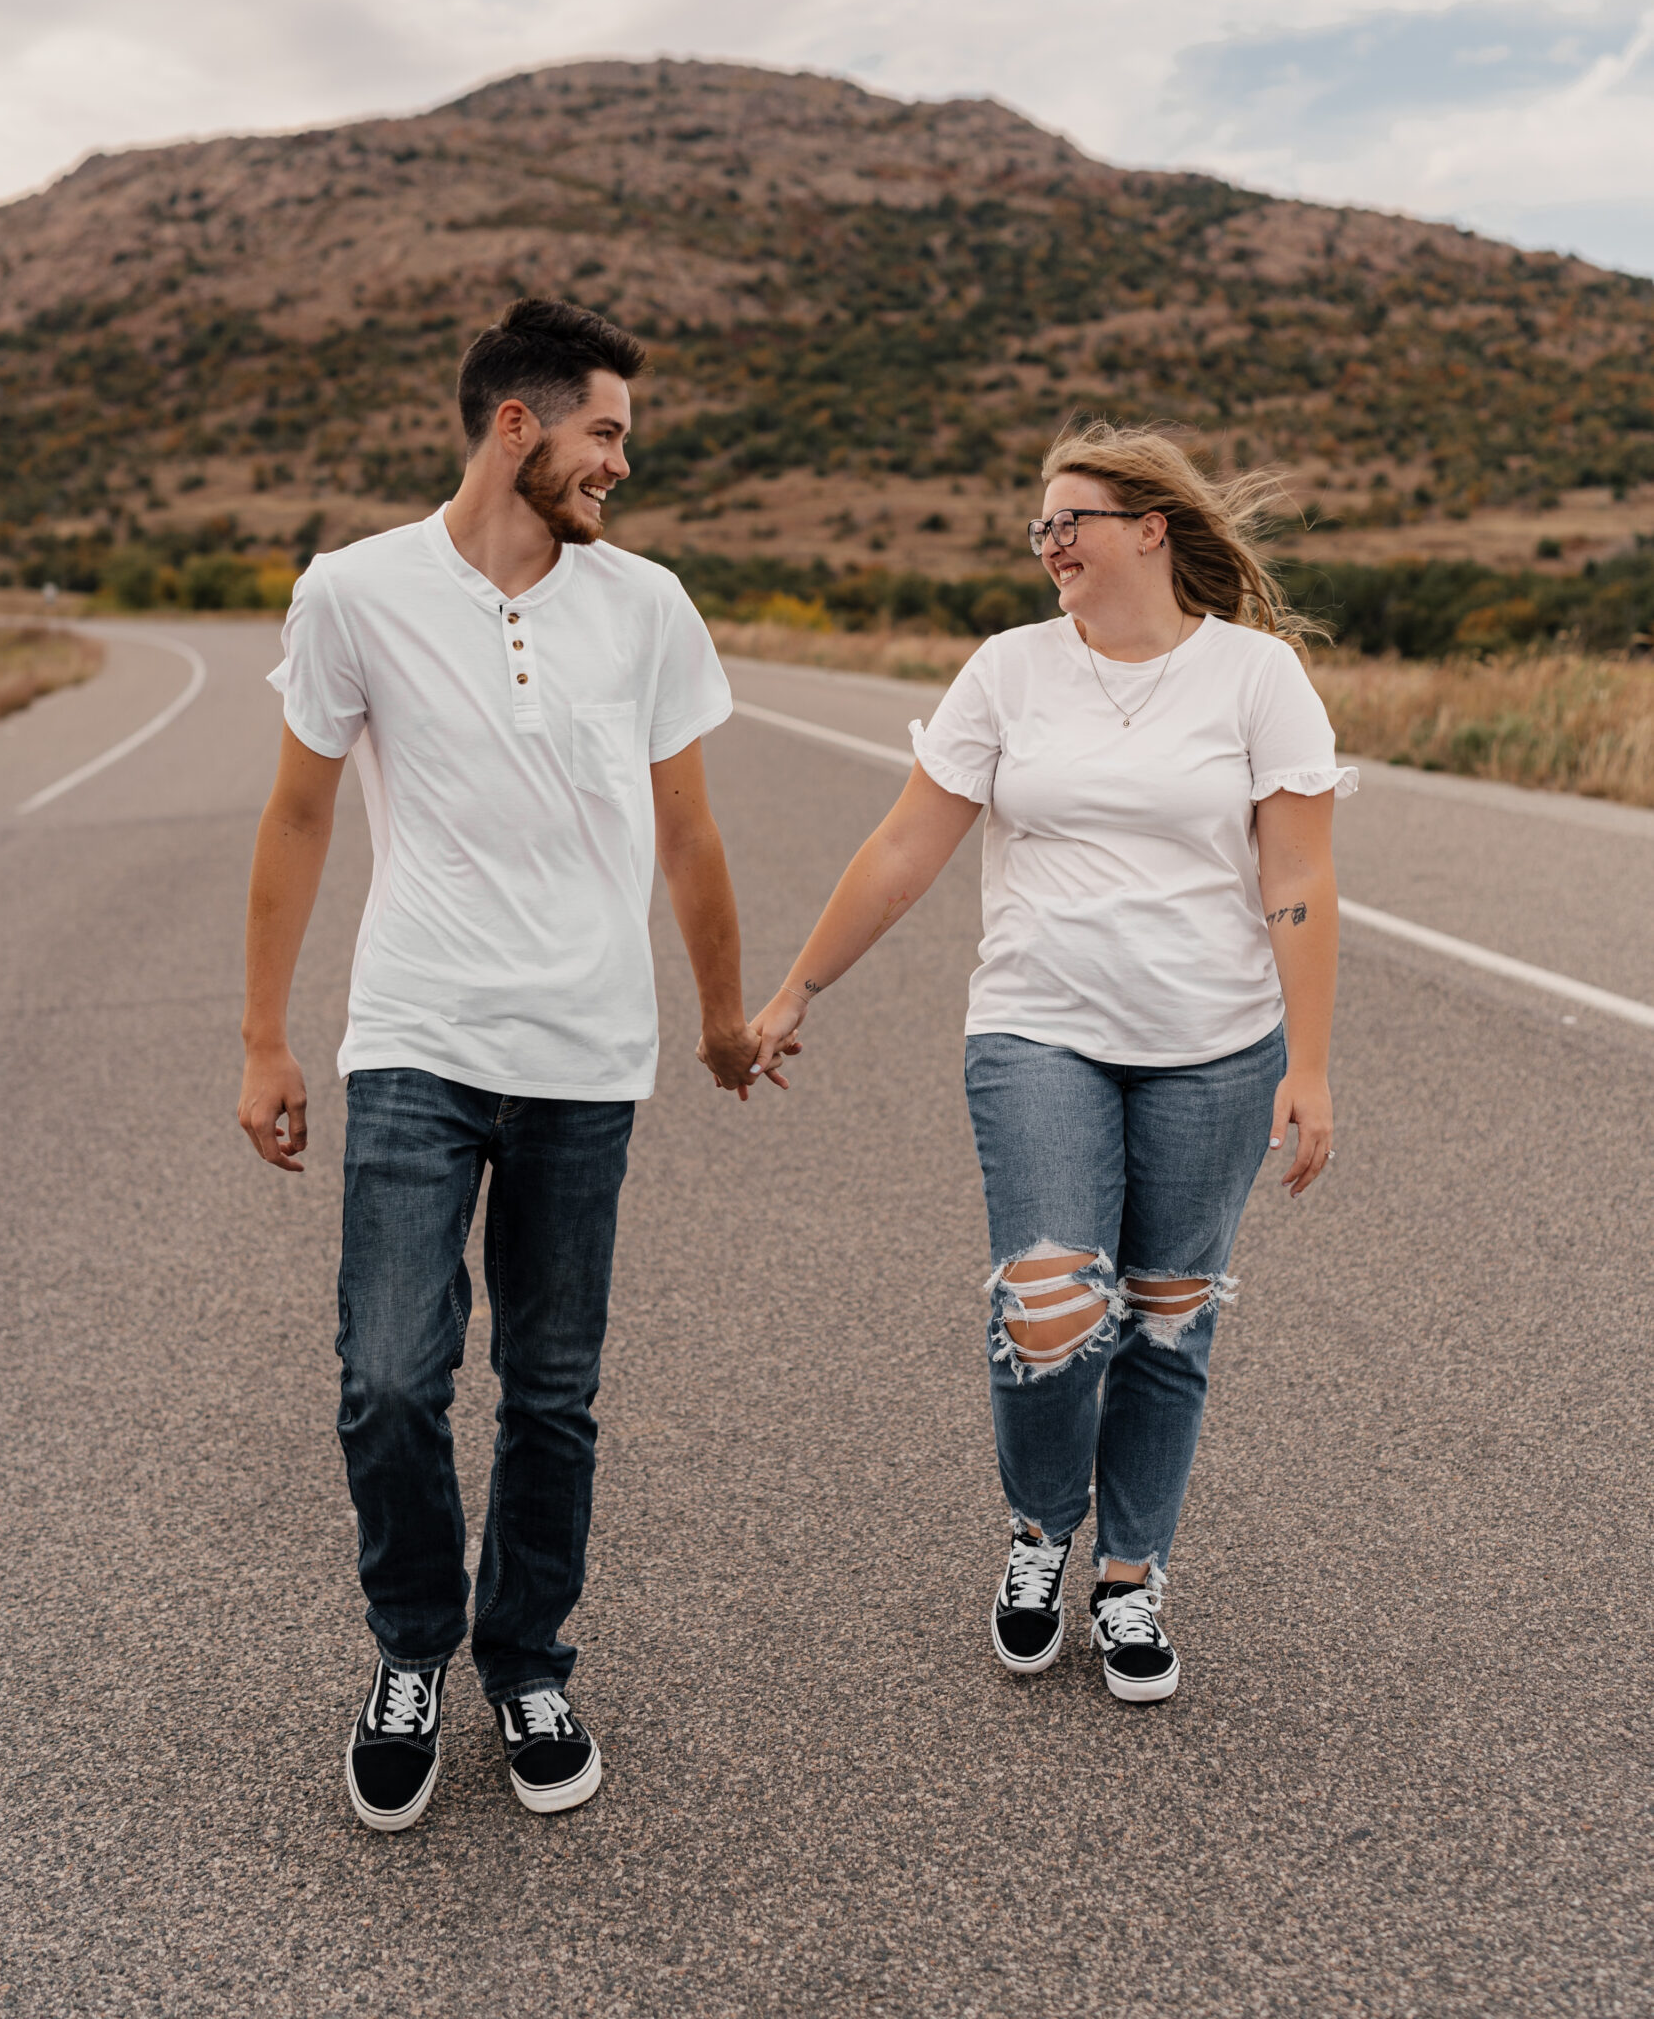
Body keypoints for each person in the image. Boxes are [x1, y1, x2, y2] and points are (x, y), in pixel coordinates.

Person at [237, 296, 767, 1832]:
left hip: (586, 1056)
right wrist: (265, 1033)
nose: (620, 463)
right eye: (604, 432)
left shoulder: (647, 605)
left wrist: (723, 1021)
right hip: (415, 1034)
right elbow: (296, 816)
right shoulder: (353, 592)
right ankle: (412, 1646)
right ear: (515, 424)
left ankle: (526, 1656)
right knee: (390, 1381)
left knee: (551, 1390)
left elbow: (689, 836)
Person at [748, 421, 1354, 1701]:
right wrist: (801, 985)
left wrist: (1309, 1063)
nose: (1047, 544)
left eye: (1067, 520)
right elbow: (909, 844)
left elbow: (1297, 872)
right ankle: (1040, 1529)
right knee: (1051, 1301)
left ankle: (1131, 1576)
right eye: (1037, 524)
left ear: (1149, 528)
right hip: (1039, 1029)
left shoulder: (1256, 678)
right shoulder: (1009, 672)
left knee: (1169, 1317)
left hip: (1217, 1048)